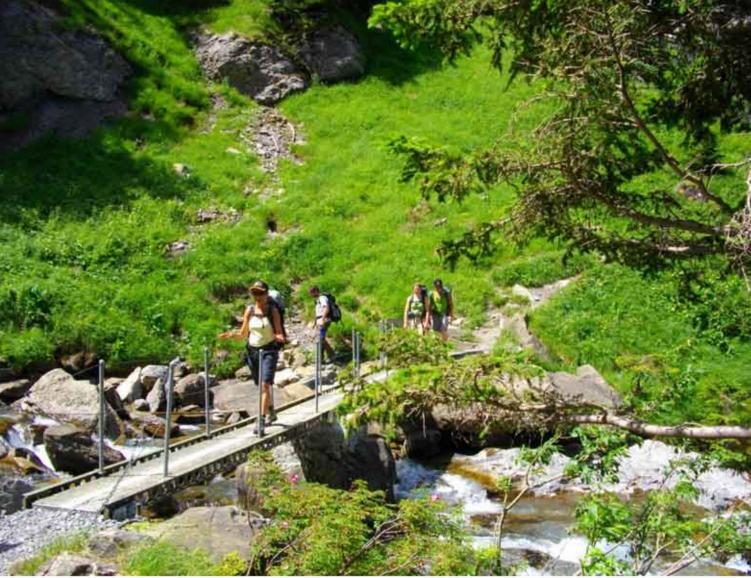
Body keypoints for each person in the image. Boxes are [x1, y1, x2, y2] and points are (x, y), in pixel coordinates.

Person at [219, 280, 284, 431]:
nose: (257, 296)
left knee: (265, 384)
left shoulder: (272, 311)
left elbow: (279, 331)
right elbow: (243, 334)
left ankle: (260, 421)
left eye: (260, 293)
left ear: (266, 294)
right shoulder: (249, 310)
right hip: (253, 352)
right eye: (255, 293)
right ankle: (271, 410)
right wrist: (230, 335)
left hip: (268, 351)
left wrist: (279, 337)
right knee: (260, 386)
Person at [309, 285, 336, 361]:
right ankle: (321, 358)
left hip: (324, 321)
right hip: (320, 321)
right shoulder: (317, 300)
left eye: (312, 293)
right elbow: (317, 313)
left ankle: (331, 354)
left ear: (316, 291)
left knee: (321, 339)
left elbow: (326, 308)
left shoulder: (322, 298)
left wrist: (323, 319)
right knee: (321, 339)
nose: (311, 295)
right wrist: (315, 323)